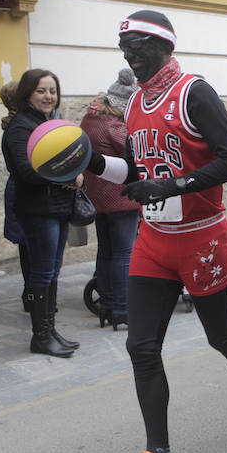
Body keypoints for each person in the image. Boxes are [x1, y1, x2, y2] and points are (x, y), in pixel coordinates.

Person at [84, 10, 227, 453]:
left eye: (139, 46)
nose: (129, 55)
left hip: (201, 237)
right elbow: (134, 173)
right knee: (141, 347)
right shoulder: (132, 105)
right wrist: (88, 161)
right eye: (123, 47)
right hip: (152, 242)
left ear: (164, 45)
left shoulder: (194, 92)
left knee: (221, 336)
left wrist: (174, 184)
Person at [2, 68, 80, 359]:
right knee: (42, 271)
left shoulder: (50, 121)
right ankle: (41, 336)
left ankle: (50, 330)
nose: (49, 96)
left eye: (52, 90)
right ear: (27, 93)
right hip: (37, 209)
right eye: (41, 91)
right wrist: (67, 176)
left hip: (57, 206)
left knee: (53, 270)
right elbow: (26, 170)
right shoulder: (21, 126)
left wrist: (75, 170)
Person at [81, 68, 140, 329]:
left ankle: (106, 304)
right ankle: (122, 308)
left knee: (106, 250)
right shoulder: (116, 124)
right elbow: (133, 152)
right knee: (124, 253)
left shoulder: (90, 118)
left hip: (97, 195)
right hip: (119, 195)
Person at [0, 80, 32, 312]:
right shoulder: (19, 128)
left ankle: (30, 291)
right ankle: (32, 294)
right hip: (24, 191)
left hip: (18, 189)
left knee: (27, 247)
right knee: (31, 246)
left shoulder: (16, 125)